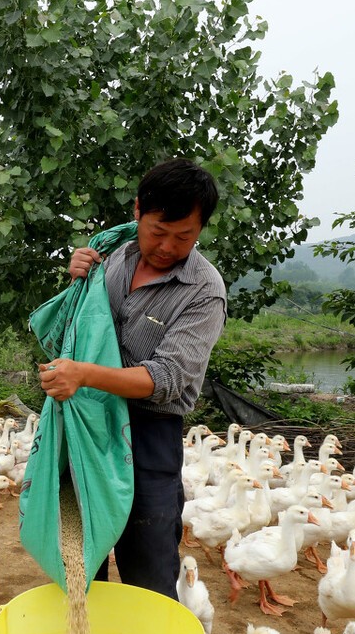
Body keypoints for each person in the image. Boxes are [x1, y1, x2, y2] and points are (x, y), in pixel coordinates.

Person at [38, 157, 226, 600]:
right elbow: (76, 328)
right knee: (79, 558)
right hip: (87, 425)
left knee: (150, 569)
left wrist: (83, 375)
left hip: (149, 437)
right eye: (158, 231)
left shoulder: (205, 291)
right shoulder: (113, 258)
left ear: (200, 231)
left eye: (184, 237)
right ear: (138, 210)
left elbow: (167, 378)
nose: (167, 246)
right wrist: (78, 279)